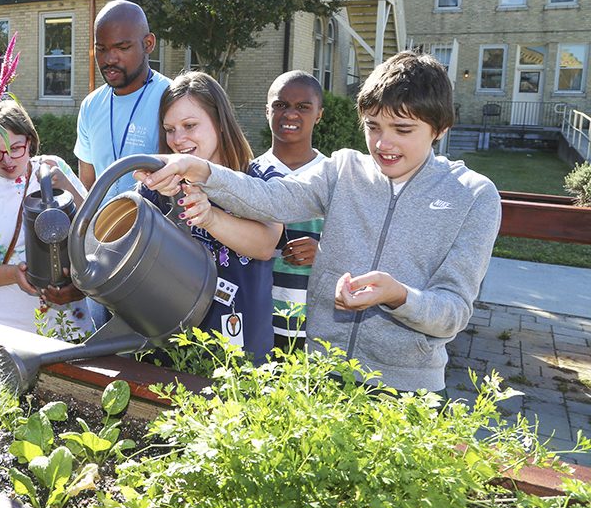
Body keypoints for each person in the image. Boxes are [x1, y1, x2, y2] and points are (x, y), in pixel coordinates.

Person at [137, 51, 501, 393]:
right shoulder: (343, 170)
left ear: (439, 128)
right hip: (322, 369)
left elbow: (453, 312)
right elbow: (269, 198)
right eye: (373, 126)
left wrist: (398, 296)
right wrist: (198, 169)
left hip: (408, 386)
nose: (383, 144)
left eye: (402, 130)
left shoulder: (472, 196)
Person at [141, 72, 282, 365]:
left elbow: (267, 242)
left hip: (242, 356)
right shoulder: (160, 185)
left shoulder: (261, 178)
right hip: (170, 352)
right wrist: (145, 194)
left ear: (219, 122)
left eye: (190, 125)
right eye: (169, 129)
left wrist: (210, 218)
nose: (178, 139)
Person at [0, 101, 94, 338]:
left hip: (69, 321)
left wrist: (67, 186)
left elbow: (95, 230)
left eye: (16, 148)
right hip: (7, 324)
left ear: (30, 141)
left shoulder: (53, 170)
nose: (7, 161)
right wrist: (14, 274)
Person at [252, 71, 327, 353]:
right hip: (256, 318)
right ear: (267, 111)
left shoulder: (335, 177)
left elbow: (357, 247)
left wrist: (323, 251)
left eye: (303, 107)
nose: (290, 114)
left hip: (315, 325)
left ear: (319, 114)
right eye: (280, 105)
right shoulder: (249, 175)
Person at [74, 0, 171, 201]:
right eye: (101, 49)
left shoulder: (173, 98)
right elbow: (87, 185)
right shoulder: (90, 106)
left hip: (156, 229)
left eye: (122, 47)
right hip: (102, 229)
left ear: (148, 44)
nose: (109, 59)